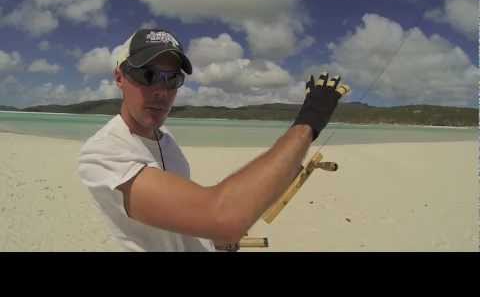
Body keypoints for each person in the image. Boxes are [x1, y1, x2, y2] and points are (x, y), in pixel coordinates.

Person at [77, 28, 350, 252]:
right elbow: (221, 215)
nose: (161, 90)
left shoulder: (167, 140)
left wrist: (213, 240)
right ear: (119, 78)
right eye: (147, 75)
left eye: (172, 79)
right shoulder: (103, 153)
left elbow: (190, 214)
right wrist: (309, 122)